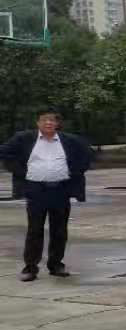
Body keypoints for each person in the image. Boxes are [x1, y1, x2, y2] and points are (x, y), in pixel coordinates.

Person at [0, 109, 96, 282]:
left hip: (60, 190)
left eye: (52, 120)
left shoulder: (69, 140)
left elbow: (88, 154)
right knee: (34, 229)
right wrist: (20, 171)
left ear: (57, 124)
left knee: (59, 230)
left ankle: (56, 264)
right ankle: (30, 267)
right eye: (44, 120)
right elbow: (5, 152)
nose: (48, 123)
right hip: (36, 190)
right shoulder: (24, 138)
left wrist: (75, 172)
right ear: (38, 123)